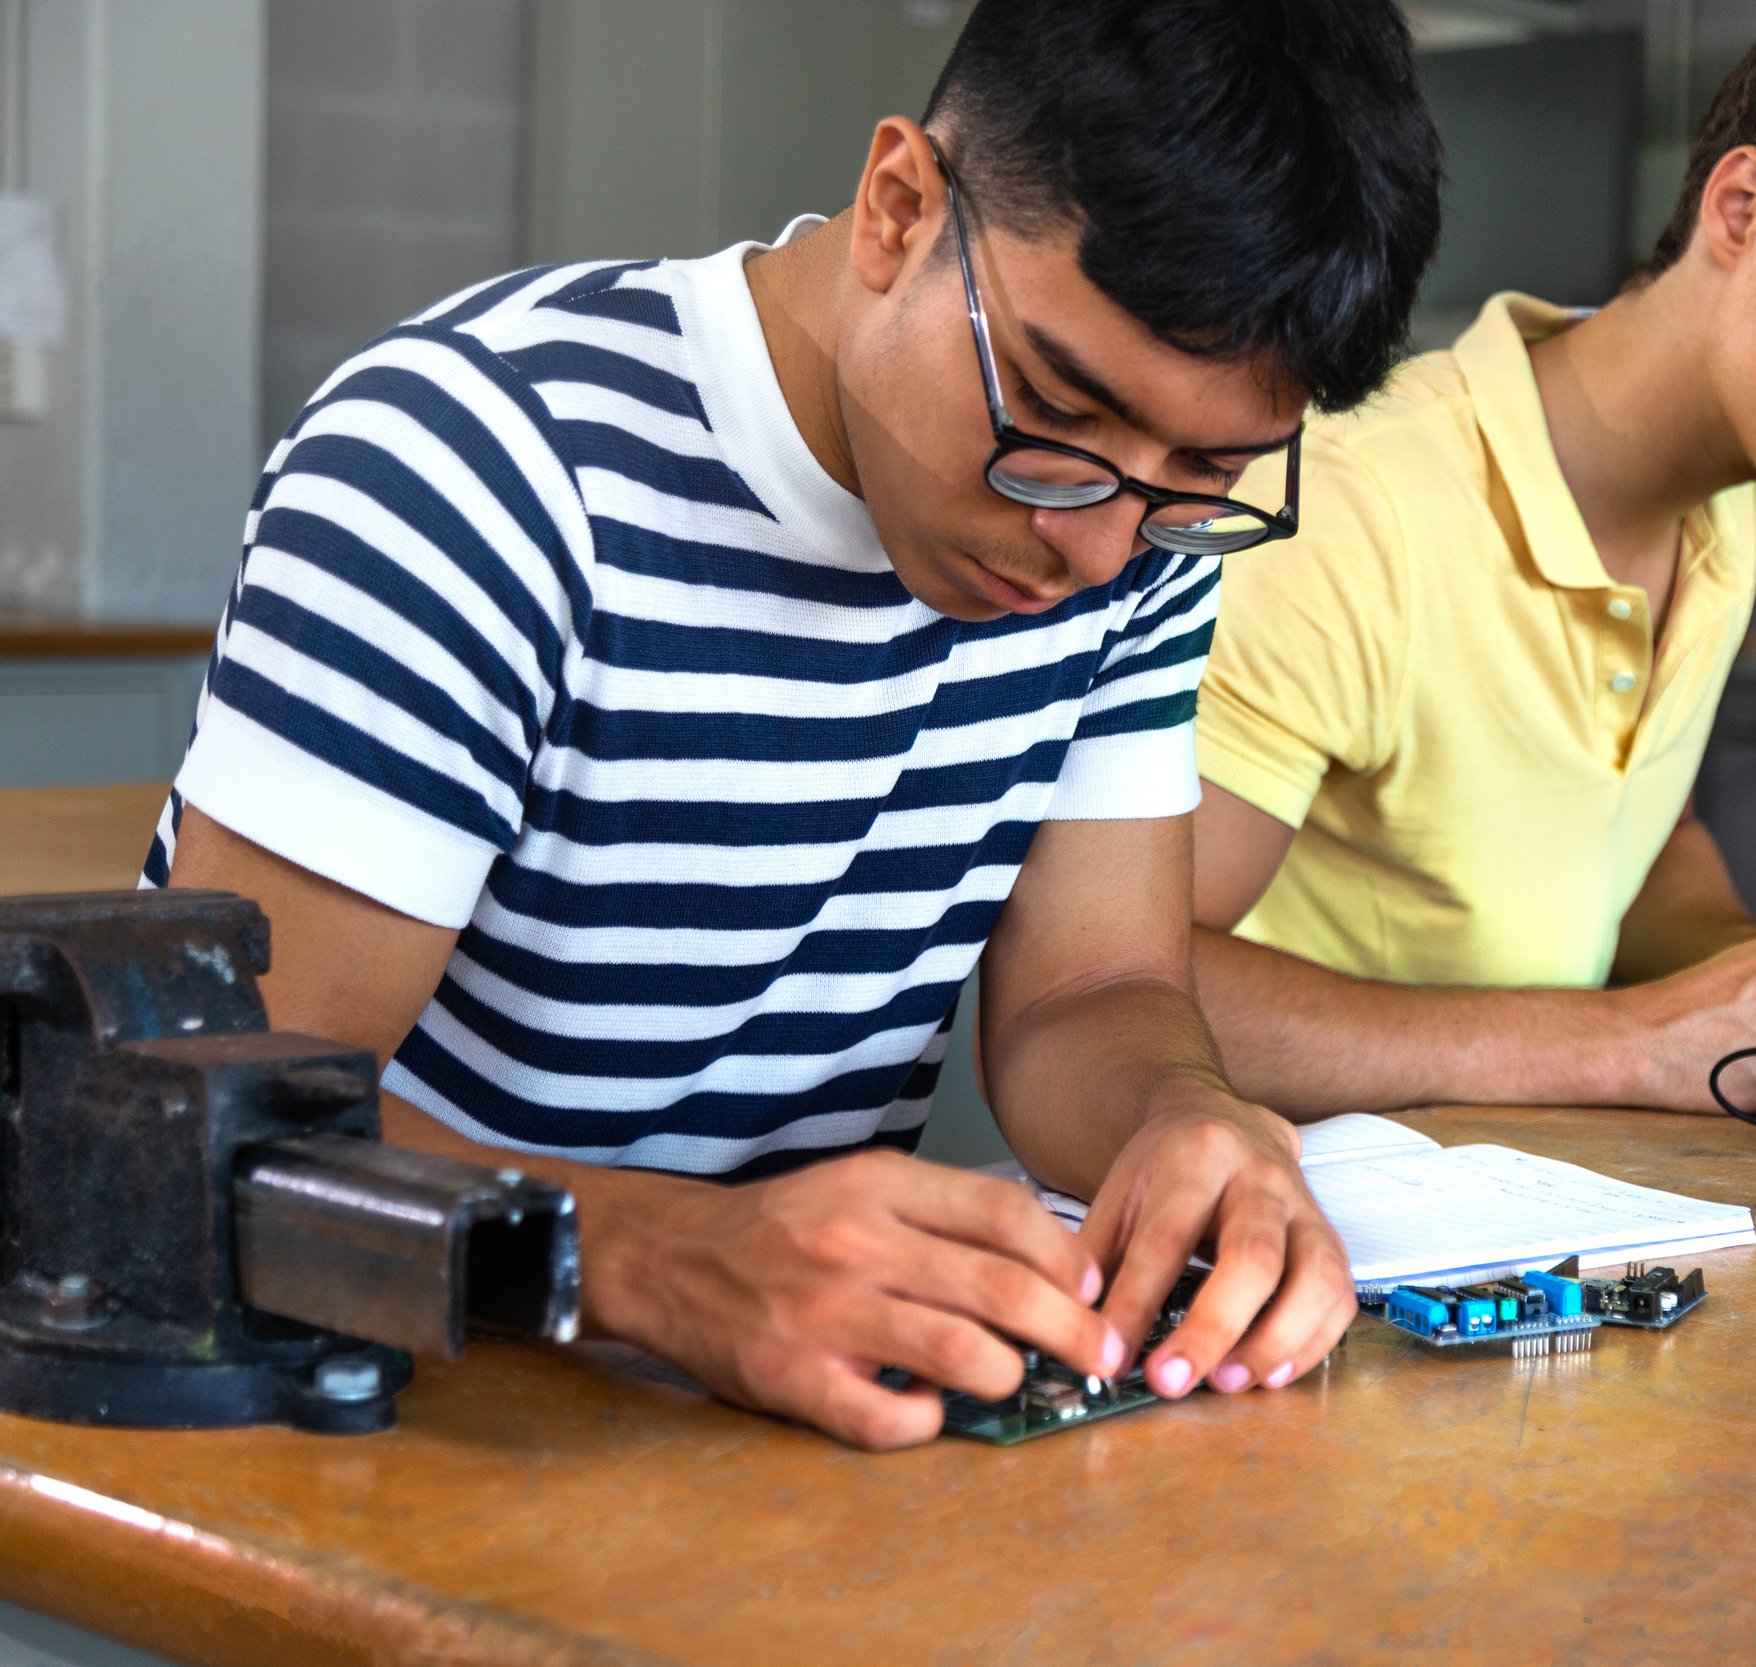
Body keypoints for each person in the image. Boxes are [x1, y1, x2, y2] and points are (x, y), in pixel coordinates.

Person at [147, 0, 1440, 1449]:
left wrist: (1187, 1120)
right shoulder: (472, 470)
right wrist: (658, 1256)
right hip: (378, 1406)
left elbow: (1092, 990)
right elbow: (215, 1121)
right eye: (1059, 409)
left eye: (1205, 471)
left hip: (765, 1437)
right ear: (899, 209)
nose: (1093, 552)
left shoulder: (1130, 537)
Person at [1189, 0, 1756, 1121]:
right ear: (1738, 208)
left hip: (1538, 1226)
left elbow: (1619, 838)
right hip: (1286, 1249)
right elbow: (1123, 986)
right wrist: (1630, 1043)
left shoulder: (1724, 505)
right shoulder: (1353, 507)